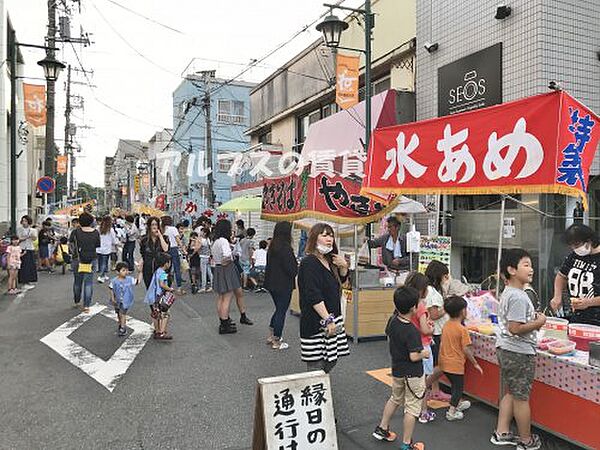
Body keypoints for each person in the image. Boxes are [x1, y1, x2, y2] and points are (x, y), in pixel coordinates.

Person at [491, 249, 546, 450]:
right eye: (525, 264)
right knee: (522, 398)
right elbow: (515, 329)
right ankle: (526, 440)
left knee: (512, 392)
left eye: (530, 265)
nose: (531, 269)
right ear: (511, 270)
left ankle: (502, 431)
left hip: (508, 350)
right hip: (518, 352)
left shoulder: (512, 293)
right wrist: (539, 322)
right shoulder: (519, 297)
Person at [372, 286, 429, 449]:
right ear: (414, 308)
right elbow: (414, 356)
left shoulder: (393, 320)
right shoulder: (412, 330)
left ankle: (382, 428)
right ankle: (407, 444)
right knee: (412, 408)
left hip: (397, 369)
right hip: (413, 374)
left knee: (395, 398)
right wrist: (424, 353)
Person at [297, 223, 349, 373]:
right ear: (314, 238)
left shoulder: (330, 260)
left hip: (332, 318)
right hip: (317, 321)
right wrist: (327, 319)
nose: (329, 239)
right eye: (324, 235)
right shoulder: (309, 262)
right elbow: (312, 295)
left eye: (331, 235)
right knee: (316, 365)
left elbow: (344, 284)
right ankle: (316, 392)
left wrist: (344, 266)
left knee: (332, 358)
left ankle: (320, 388)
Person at [439, 295, 483, 421]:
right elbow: (466, 349)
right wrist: (475, 363)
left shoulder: (446, 325)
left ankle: (457, 404)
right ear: (463, 311)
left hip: (444, 362)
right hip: (456, 364)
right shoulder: (462, 329)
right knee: (458, 388)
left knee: (454, 385)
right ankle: (451, 411)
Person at [550, 224, 600, 326]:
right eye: (571, 246)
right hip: (577, 316)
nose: (574, 249)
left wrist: (588, 302)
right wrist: (557, 296)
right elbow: (561, 276)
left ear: (589, 241)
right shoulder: (574, 256)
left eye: (577, 245)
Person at [404, 272, 436, 424]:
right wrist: (431, 329)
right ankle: (424, 411)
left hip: (410, 345)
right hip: (423, 345)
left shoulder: (407, 305)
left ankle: (412, 410)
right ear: (422, 289)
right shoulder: (421, 307)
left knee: (413, 381)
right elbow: (424, 329)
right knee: (423, 382)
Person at [264, 222, 298, 350]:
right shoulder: (286, 248)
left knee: (278, 309)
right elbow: (292, 269)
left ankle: (271, 335)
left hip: (271, 283)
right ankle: (276, 340)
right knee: (281, 311)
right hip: (284, 284)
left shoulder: (272, 246)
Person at [423, 259, 451, 402]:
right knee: (441, 365)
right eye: (445, 276)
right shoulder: (433, 293)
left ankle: (435, 391)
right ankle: (425, 388)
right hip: (436, 333)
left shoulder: (427, 290)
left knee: (433, 363)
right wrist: (448, 306)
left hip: (431, 332)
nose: (447, 279)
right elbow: (434, 315)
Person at [212, 219, 241, 334]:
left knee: (221, 297)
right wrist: (227, 260)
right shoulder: (224, 241)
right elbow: (227, 256)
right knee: (227, 297)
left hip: (218, 268)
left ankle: (222, 321)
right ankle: (225, 323)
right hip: (226, 269)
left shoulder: (216, 241)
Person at [70, 212, 101, 312]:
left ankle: (77, 301)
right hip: (91, 259)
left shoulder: (75, 232)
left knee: (77, 282)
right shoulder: (95, 232)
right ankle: (86, 306)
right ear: (91, 221)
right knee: (88, 283)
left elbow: (71, 245)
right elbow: (97, 245)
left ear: (80, 221)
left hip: (77, 259)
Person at [143, 252, 174, 340]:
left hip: (152, 296)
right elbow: (162, 284)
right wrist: (170, 289)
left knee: (155, 314)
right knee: (165, 314)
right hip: (159, 297)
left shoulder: (157, 271)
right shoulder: (164, 273)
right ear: (166, 263)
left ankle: (157, 331)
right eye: (169, 262)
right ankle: (162, 332)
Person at [109, 261, 143, 336]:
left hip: (126, 301)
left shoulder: (129, 279)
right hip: (117, 301)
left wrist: (140, 273)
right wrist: (112, 298)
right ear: (117, 272)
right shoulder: (114, 281)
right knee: (118, 313)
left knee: (122, 313)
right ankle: (120, 323)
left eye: (126, 270)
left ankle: (123, 328)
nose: (126, 272)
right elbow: (111, 289)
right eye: (123, 270)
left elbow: (137, 282)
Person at [139, 217, 170, 289]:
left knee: (162, 288)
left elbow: (166, 249)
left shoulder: (165, 238)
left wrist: (160, 236)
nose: (154, 227)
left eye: (156, 224)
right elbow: (143, 254)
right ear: (149, 226)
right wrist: (140, 264)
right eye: (152, 224)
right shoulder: (144, 240)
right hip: (148, 269)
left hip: (163, 269)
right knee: (150, 288)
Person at [162, 216, 185, 294]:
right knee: (176, 268)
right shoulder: (173, 229)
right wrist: (183, 250)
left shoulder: (162, 230)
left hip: (165, 250)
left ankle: (165, 286)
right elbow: (178, 240)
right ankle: (179, 288)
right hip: (174, 249)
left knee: (165, 269)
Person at [17, 215, 38, 289]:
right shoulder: (19, 229)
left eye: (25, 221)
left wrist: (32, 236)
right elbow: (18, 239)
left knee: (30, 265)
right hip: (22, 248)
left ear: (28, 222)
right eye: (23, 221)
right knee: (24, 265)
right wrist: (26, 237)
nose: (24, 222)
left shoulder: (33, 230)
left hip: (30, 248)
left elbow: (35, 239)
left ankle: (29, 280)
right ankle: (23, 281)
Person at [96, 216, 117, 283]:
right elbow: (114, 240)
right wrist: (118, 243)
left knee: (100, 262)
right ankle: (101, 276)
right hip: (106, 249)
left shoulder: (98, 228)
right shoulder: (110, 230)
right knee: (104, 263)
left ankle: (104, 275)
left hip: (98, 248)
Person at [198, 227, 213, 293]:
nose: (200, 233)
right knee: (209, 271)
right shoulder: (208, 239)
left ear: (204, 233)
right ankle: (212, 286)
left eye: (201, 231)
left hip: (203, 257)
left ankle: (203, 287)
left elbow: (198, 247)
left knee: (203, 272)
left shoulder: (202, 240)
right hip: (208, 257)